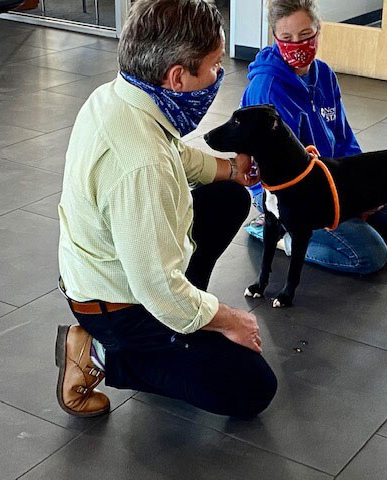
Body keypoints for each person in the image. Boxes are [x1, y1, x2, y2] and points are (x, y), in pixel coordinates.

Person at [55, 0, 277, 420]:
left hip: (113, 275)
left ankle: (180, 329)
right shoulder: (142, 165)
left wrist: (233, 170)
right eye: (214, 66)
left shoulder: (120, 96)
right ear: (177, 77)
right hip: (117, 309)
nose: (219, 75)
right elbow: (156, 287)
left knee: (229, 197)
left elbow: (173, 152)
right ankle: (98, 353)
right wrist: (229, 319)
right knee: (252, 388)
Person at [240, 0, 387, 275]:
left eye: (305, 35)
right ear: (274, 36)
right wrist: (347, 199)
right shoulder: (268, 89)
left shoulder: (324, 75)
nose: (297, 45)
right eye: (287, 38)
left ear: (318, 31)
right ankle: (278, 235)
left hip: (332, 179)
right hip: (290, 193)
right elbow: (285, 174)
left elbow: (344, 137)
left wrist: (363, 185)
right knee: (370, 256)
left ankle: (345, 225)